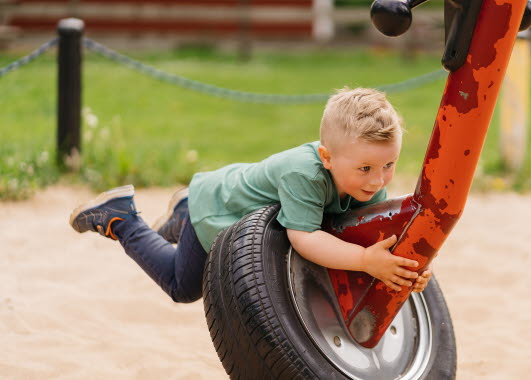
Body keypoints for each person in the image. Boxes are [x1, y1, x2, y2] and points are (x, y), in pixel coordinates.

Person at [69, 87, 433, 303]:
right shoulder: (304, 174)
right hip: (219, 211)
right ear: (327, 157)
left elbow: (377, 234)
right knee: (181, 287)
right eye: (366, 168)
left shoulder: (365, 176)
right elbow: (304, 239)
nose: (378, 180)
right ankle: (123, 218)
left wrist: (410, 266)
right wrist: (366, 262)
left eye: (389, 165)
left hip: (233, 194)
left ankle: (180, 211)